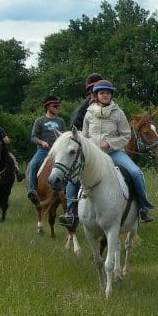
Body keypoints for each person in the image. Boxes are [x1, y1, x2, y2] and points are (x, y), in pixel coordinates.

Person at [82, 79, 154, 222]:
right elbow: (84, 137)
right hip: (94, 156)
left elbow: (126, 136)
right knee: (72, 178)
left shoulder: (118, 113)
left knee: (136, 173)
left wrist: (110, 143)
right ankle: (71, 211)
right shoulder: (89, 114)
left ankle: (142, 208)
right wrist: (92, 147)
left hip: (115, 153)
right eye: (102, 93)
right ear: (96, 95)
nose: (105, 95)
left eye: (108, 93)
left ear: (111, 95)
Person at [58, 72, 102, 229]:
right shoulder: (81, 110)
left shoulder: (113, 107)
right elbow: (75, 133)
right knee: (74, 180)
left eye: (99, 91)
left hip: (109, 150)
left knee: (131, 172)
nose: (96, 95)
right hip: (87, 152)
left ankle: (137, 209)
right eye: (93, 91)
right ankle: (71, 212)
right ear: (90, 92)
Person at [27, 96, 66, 205]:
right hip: (43, 150)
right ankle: (31, 189)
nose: (57, 107)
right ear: (48, 107)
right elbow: (33, 137)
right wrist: (42, 142)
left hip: (58, 151)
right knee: (33, 164)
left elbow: (64, 136)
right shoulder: (40, 121)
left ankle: (68, 190)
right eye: (55, 106)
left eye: (58, 105)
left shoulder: (61, 121)